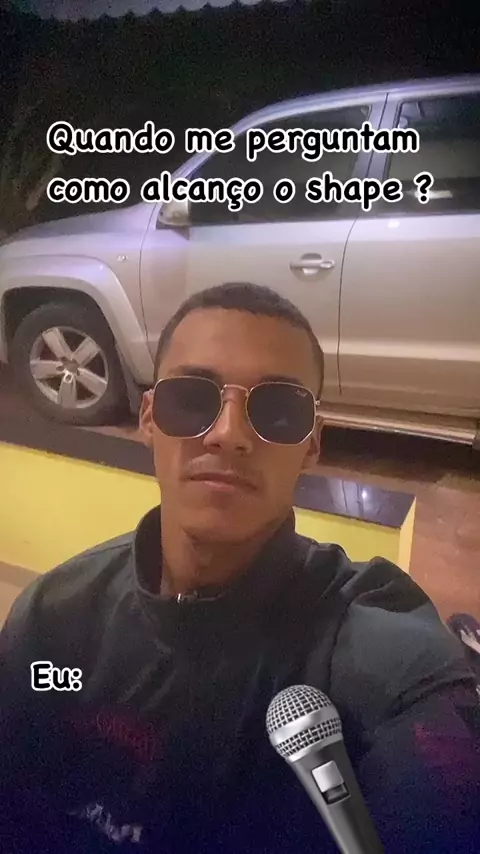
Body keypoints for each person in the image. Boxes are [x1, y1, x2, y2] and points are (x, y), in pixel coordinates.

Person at [0, 282, 479, 854]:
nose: (228, 435)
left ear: (311, 445)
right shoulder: (57, 621)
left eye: (277, 410)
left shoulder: (371, 655)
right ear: (149, 418)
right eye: (191, 398)